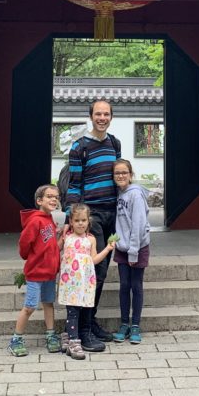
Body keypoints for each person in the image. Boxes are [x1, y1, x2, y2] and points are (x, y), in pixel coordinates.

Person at [63, 98, 120, 347]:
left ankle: (90, 320)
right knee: (94, 270)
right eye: (98, 114)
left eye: (106, 114)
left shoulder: (114, 143)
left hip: (111, 214)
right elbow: (74, 184)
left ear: (111, 117)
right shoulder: (79, 147)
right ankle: (83, 330)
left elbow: (119, 177)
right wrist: (71, 218)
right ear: (91, 116)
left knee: (102, 272)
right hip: (92, 215)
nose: (102, 118)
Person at [9, 184, 62, 357]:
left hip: (49, 273)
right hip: (35, 273)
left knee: (48, 303)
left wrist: (62, 237)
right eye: (49, 196)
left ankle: (51, 335)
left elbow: (51, 246)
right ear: (39, 200)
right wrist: (29, 257)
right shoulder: (35, 221)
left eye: (56, 197)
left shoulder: (50, 219)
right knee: (30, 307)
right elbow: (24, 244)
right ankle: (16, 339)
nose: (54, 199)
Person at [57, 203, 115, 359]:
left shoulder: (91, 239)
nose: (80, 223)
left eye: (83, 220)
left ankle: (68, 336)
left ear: (89, 221)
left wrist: (107, 249)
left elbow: (94, 259)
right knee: (73, 311)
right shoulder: (67, 236)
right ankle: (73, 342)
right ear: (71, 221)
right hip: (70, 283)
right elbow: (55, 249)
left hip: (85, 282)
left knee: (85, 308)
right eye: (77, 220)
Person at [110, 159, 151, 344]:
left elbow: (138, 224)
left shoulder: (135, 194)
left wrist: (133, 251)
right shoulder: (119, 193)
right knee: (124, 285)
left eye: (124, 172)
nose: (120, 176)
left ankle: (135, 324)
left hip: (138, 246)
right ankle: (124, 323)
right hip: (122, 247)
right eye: (117, 173)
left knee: (136, 285)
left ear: (130, 174)